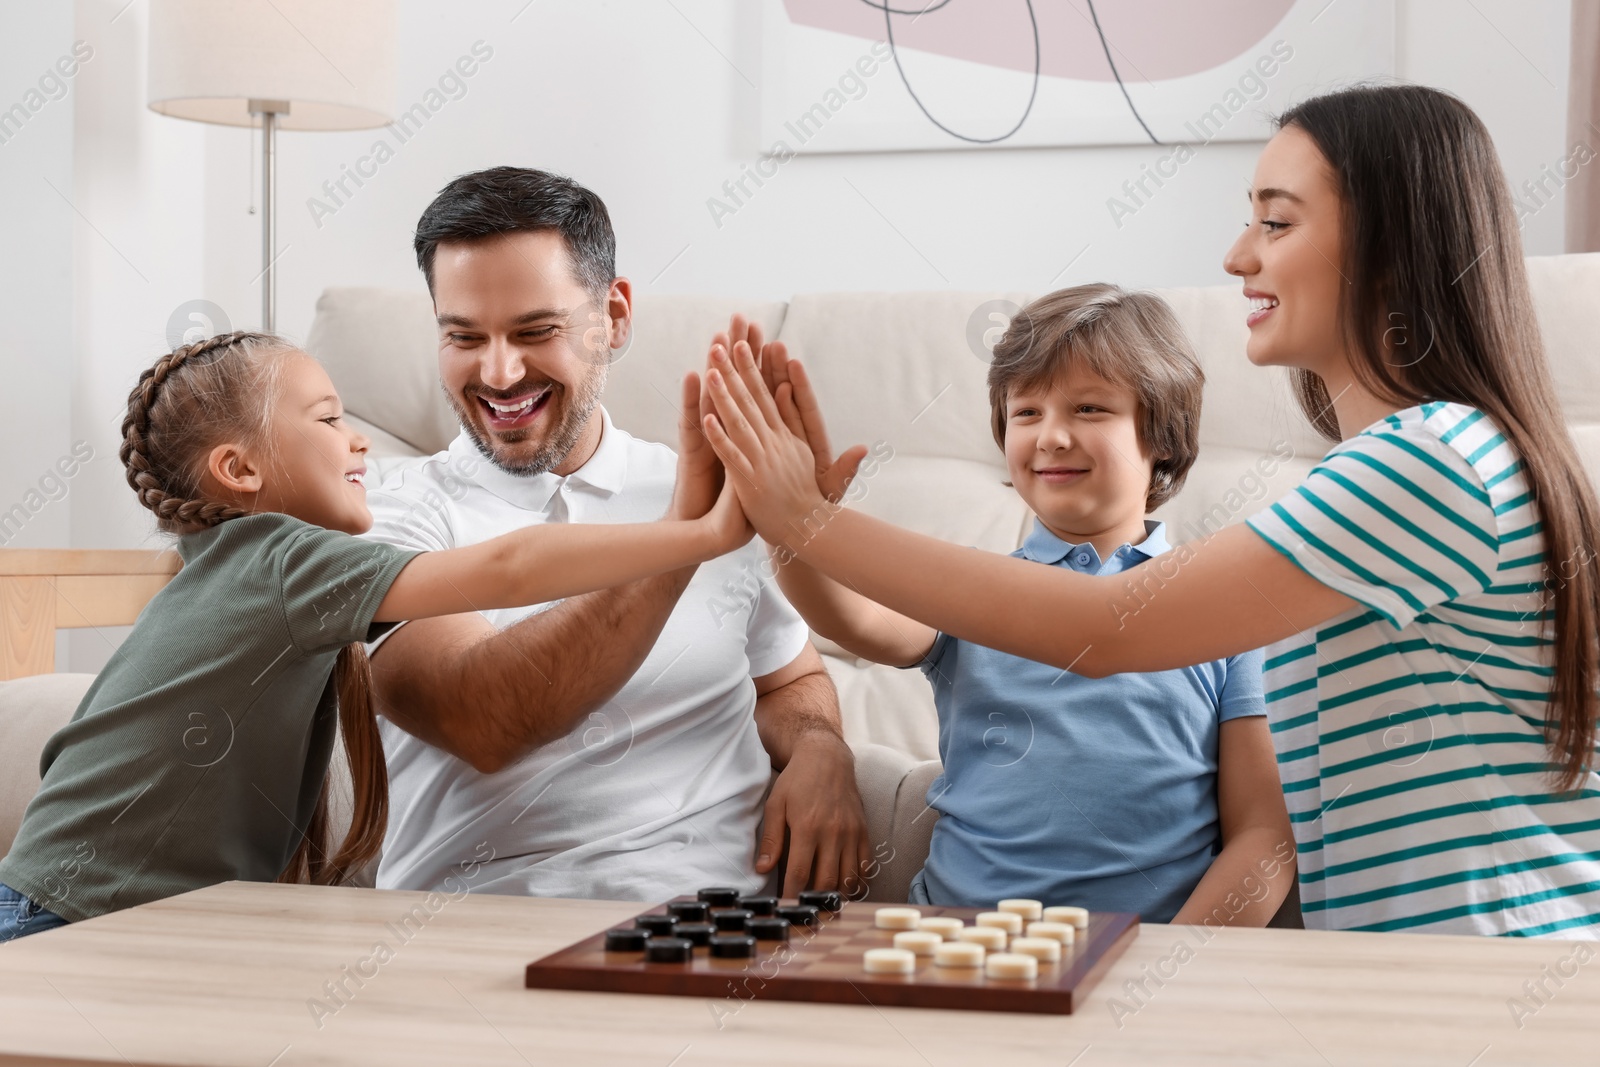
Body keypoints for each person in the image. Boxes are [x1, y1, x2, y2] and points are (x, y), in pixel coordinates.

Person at [701, 84, 1600, 937]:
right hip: (1407, 968)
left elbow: (1107, 629)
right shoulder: (1414, 464)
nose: (1238, 255)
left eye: (1276, 222)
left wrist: (807, 520)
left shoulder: (1429, 462)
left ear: (1389, 250)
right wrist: (802, 536)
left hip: (1479, 971)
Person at [0, 331, 746, 942]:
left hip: (92, 911)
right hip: (71, 920)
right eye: (327, 420)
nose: (359, 441)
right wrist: (694, 533)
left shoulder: (230, 569)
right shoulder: (281, 556)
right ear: (239, 469)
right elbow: (511, 567)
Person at [362, 167, 868, 903]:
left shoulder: (711, 487)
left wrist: (823, 749)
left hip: (717, 932)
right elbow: (483, 718)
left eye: (537, 330)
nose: (499, 373)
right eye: (463, 336)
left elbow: (792, 678)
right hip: (475, 936)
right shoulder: (390, 511)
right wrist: (689, 538)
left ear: (616, 316)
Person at [759, 283, 1293, 924]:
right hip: (957, 945)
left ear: (1164, 437)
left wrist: (1169, 974)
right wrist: (792, 531)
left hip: (1141, 958)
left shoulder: (1218, 612)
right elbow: (851, 619)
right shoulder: (975, 593)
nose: (1052, 436)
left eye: (1090, 409)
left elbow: (1264, 836)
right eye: (1027, 412)